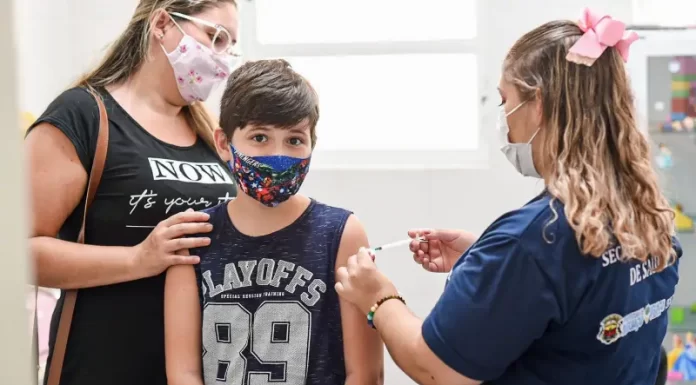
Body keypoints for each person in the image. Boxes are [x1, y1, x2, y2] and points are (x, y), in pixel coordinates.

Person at [332, 9, 682, 385]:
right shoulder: (646, 216)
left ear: (539, 105)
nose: (503, 117)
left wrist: (379, 298)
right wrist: (483, 260)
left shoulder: (533, 242)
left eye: (505, 100)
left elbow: (434, 369)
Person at [24, 1, 239, 384]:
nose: (221, 58)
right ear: (161, 24)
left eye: (230, 47)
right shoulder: (84, 115)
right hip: (103, 365)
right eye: (215, 37)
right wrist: (139, 258)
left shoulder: (212, 134)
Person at [163, 59, 384, 385]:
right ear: (224, 143)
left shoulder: (341, 234)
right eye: (260, 137)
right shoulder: (194, 235)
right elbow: (183, 373)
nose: (278, 156)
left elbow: (365, 374)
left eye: (295, 140)